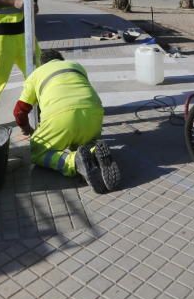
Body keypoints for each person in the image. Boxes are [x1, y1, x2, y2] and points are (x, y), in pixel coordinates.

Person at [13, 50, 120, 193]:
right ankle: (94, 150)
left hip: (61, 116)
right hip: (94, 112)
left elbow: (19, 111)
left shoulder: (36, 74)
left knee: (37, 152)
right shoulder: (76, 66)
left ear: (42, 64)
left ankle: (73, 161)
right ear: (61, 59)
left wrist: (26, 129)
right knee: (84, 141)